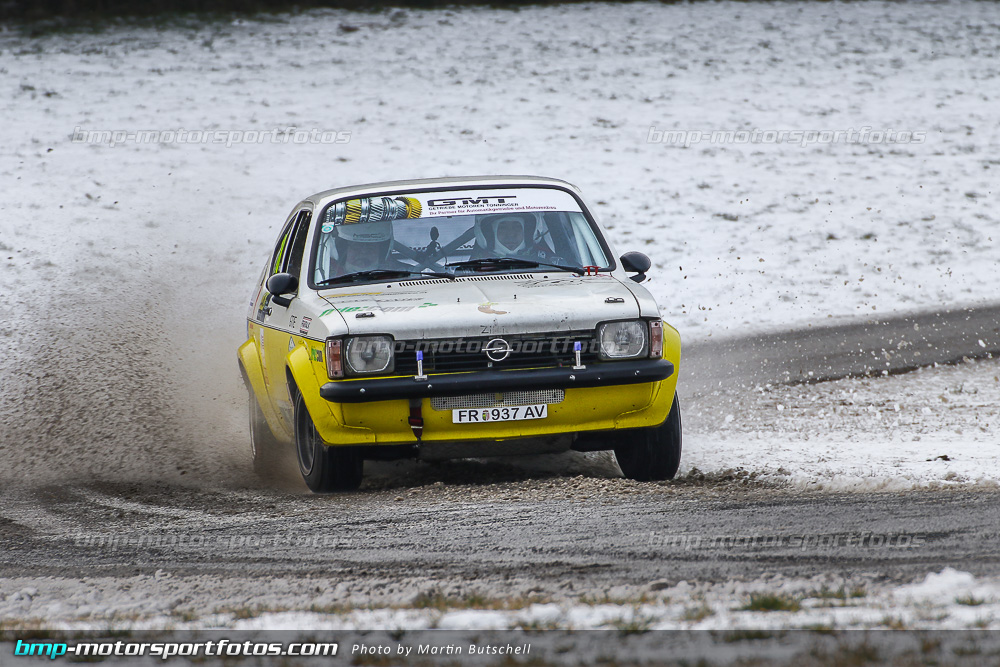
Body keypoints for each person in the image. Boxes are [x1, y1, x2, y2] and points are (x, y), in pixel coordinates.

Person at [472, 213, 556, 263]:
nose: (511, 234)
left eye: (517, 227)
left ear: (528, 232)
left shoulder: (551, 263)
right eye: (503, 228)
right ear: (489, 234)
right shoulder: (473, 268)